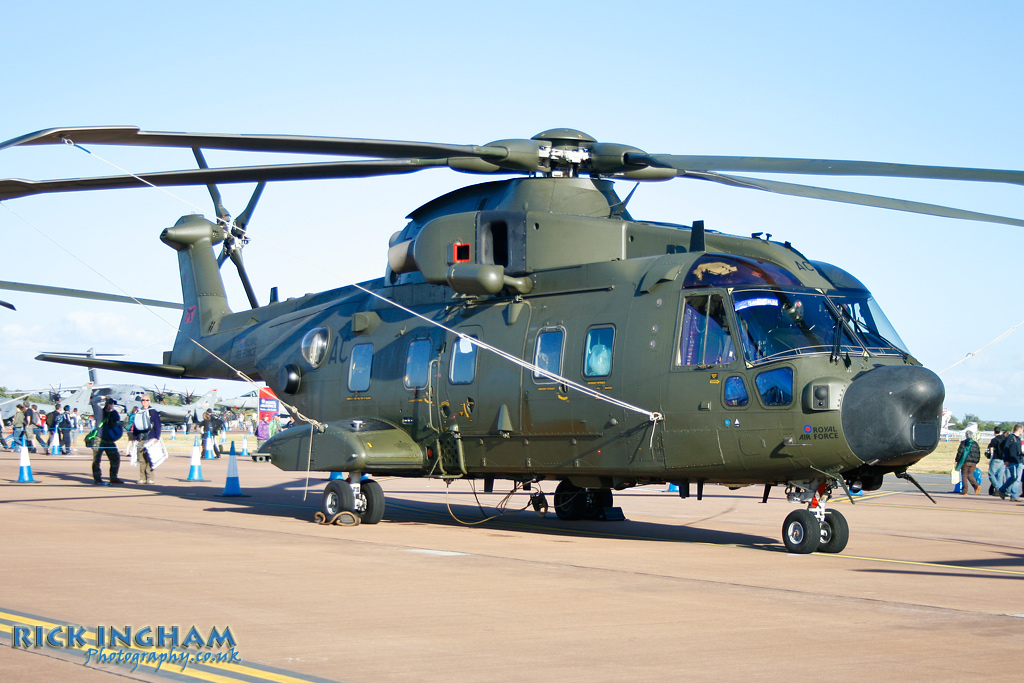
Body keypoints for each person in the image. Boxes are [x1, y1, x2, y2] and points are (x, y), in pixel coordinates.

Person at [130, 396, 162, 484]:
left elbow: (158, 425)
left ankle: (150, 478)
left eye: (147, 400)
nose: (145, 402)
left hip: (150, 439)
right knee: (141, 460)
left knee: (149, 459)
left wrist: (157, 437)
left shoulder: (153, 412)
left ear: (149, 401)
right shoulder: (139, 412)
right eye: (143, 400)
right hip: (141, 438)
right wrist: (135, 438)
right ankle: (142, 478)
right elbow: (136, 426)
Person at [93, 398, 124, 486]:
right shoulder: (100, 412)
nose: (110, 405)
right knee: (96, 459)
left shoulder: (113, 414)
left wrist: (112, 410)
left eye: (111, 404)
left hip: (109, 439)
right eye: (109, 403)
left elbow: (117, 419)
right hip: (99, 438)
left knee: (115, 458)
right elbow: (93, 402)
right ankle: (97, 478)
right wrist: (102, 398)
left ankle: (113, 477)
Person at [999, 423, 1022, 501]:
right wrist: (1005, 459)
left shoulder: (1019, 438)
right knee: (1014, 477)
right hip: (1012, 461)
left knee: (1017, 478)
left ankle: (1014, 495)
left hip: (1019, 461)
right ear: (1020, 429)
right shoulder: (1010, 438)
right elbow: (1006, 448)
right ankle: (1002, 489)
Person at [955, 429, 981, 494]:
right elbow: (978, 453)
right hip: (973, 462)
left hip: (965, 462)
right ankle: (976, 486)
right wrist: (976, 461)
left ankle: (965, 490)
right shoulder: (975, 443)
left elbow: (960, 452)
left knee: (964, 476)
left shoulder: (964, 443)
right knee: (970, 475)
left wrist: (957, 460)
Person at [986, 427, 1006, 496]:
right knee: (1000, 475)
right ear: (1000, 431)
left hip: (996, 458)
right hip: (1003, 459)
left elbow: (991, 451)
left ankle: (998, 488)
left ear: (994, 432)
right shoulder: (1004, 439)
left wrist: (990, 460)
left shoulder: (994, 440)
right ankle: (1001, 490)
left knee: (991, 473)